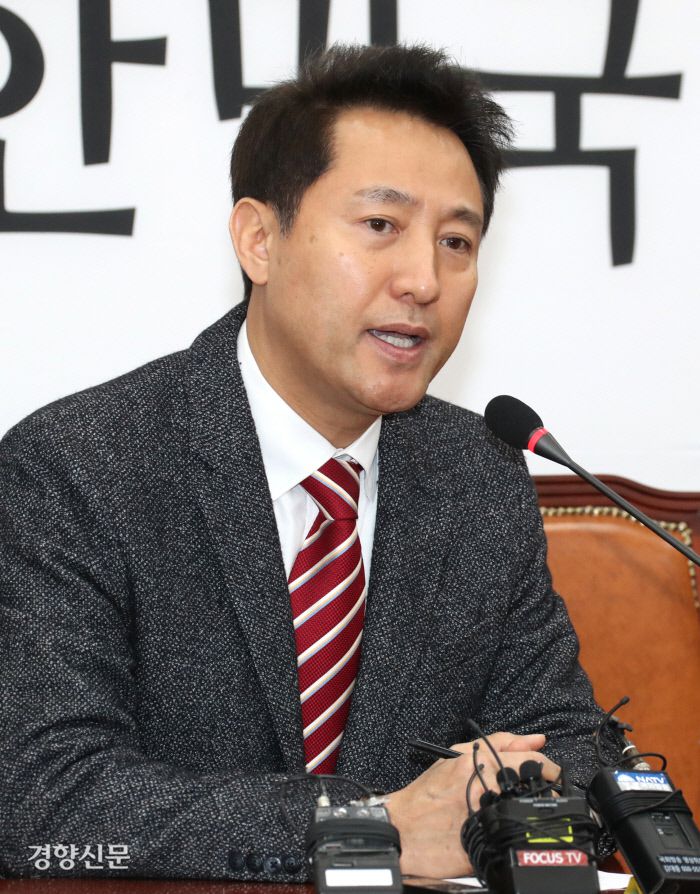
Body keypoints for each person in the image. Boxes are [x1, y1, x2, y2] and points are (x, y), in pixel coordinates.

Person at [0, 44, 608, 881]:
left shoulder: (479, 476)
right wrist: (368, 828)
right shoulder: (79, 467)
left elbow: (566, 742)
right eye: (381, 226)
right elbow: (41, 804)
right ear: (259, 239)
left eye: (457, 241)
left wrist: (528, 799)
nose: (424, 280)